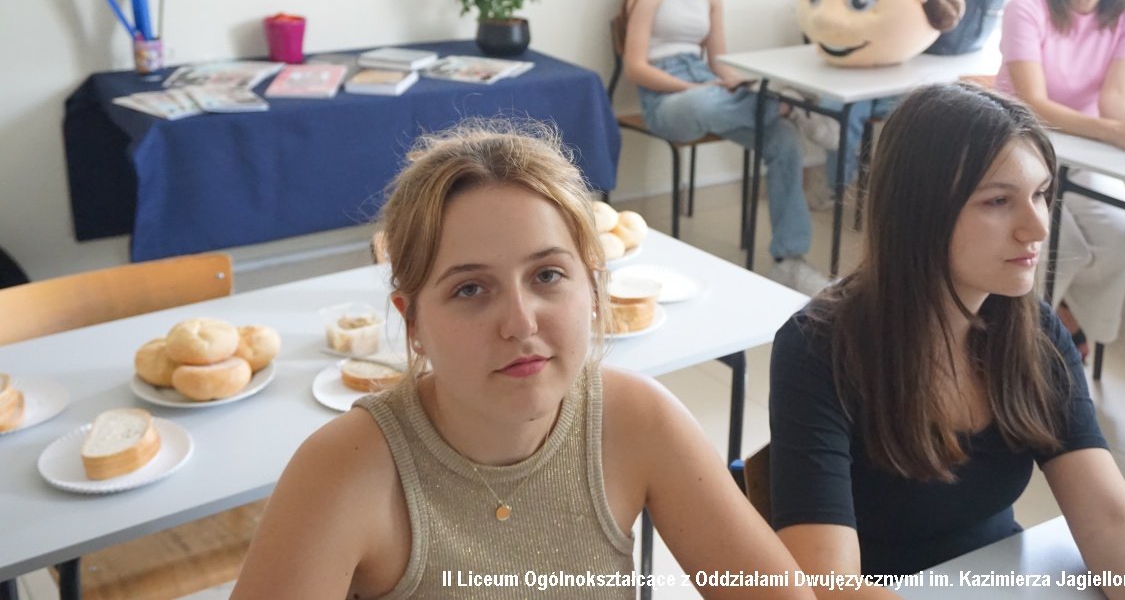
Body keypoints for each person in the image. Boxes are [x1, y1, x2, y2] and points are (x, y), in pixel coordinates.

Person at [232, 122, 815, 599]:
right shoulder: (344, 471)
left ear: (593, 289)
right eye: (470, 289)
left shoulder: (637, 419)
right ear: (413, 325)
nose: (520, 322)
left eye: (548, 275)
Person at [768, 84, 1125, 595]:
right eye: (998, 201)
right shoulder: (817, 349)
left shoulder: (1033, 332)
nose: (1037, 228)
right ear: (919, 211)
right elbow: (828, 584)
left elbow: (1115, 523)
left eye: (1041, 194)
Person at [621, 0, 827, 296]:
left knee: (784, 140)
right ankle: (787, 107)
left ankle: (789, 261)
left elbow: (719, 62)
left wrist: (737, 82)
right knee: (706, 102)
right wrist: (692, 87)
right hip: (666, 98)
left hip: (709, 88)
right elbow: (636, 67)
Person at [995, 0, 1125, 362]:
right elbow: (1032, 103)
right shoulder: (1026, 7)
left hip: (1085, 148)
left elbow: (1116, 99)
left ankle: (1066, 319)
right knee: (1055, 244)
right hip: (1019, 144)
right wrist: (1111, 131)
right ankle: (1030, 346)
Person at [807, 0, 992, 212]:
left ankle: (909, 202)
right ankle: (839, 186)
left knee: (931, 120)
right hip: (889, 69)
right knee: (850, 107)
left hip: (931, 79)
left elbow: (957, 29)